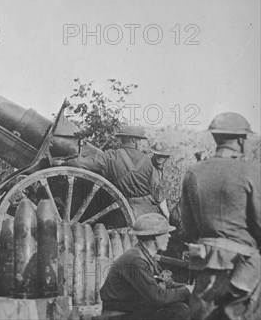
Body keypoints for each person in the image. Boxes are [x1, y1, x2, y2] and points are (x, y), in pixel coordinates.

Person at [180, 112, 260, 320]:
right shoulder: (250, 173)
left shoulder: (193, 172)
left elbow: (187, 227)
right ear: (241, 140)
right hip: (242, 264)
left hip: (205, 261)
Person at [100, 213, 193, 320]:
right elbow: (158, 297)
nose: (169, 236)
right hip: (119, 316)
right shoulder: (135, 260)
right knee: (180, 311)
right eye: (165, 233)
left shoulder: (145, 255)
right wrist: (186, 290)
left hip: (133, 310)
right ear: (154, 237)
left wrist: (190, 289)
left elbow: (166, 284)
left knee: (181, 305)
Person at [64, 125, 161, 218]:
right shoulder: (147, 160)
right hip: (148, 210)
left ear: (122, 139)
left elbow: (84, 163)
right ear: (133, 140)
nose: (139, 143)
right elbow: (155, 186)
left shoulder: (110, 156)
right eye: (139, 140)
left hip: (125, 209)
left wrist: (65, 162)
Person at [150, 141, 172, 219]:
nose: (160, 158)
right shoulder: (147, 167)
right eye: (158, 155)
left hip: (160, 206)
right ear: (154, 154)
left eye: (163, 156)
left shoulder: (166, 171)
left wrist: (167, 215)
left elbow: (162, 195)